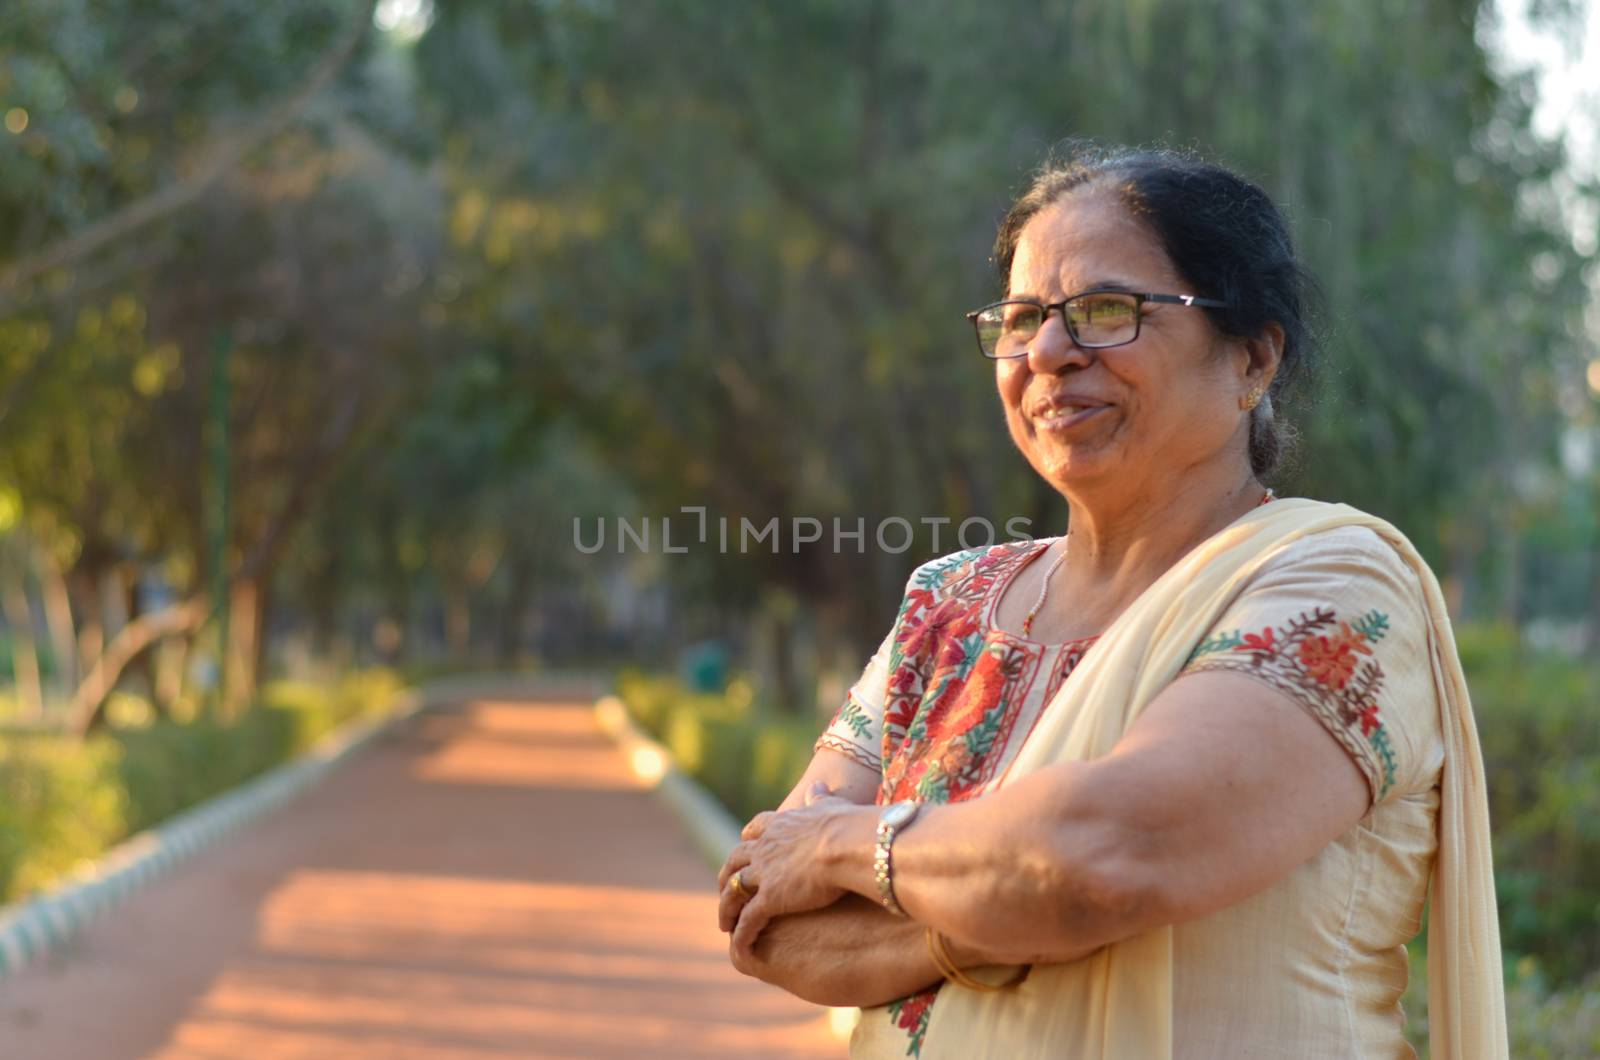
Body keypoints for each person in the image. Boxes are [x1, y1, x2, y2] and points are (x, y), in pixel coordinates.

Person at [715, 144, 1507, 1059]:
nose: (1048, 352)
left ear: (1253, 358)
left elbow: (1111, 853)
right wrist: (993, 917)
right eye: (1019, 319)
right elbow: (762, 918)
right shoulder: (946, 601)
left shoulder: (1332, 580)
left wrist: (840, 850)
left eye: (1105, 311)